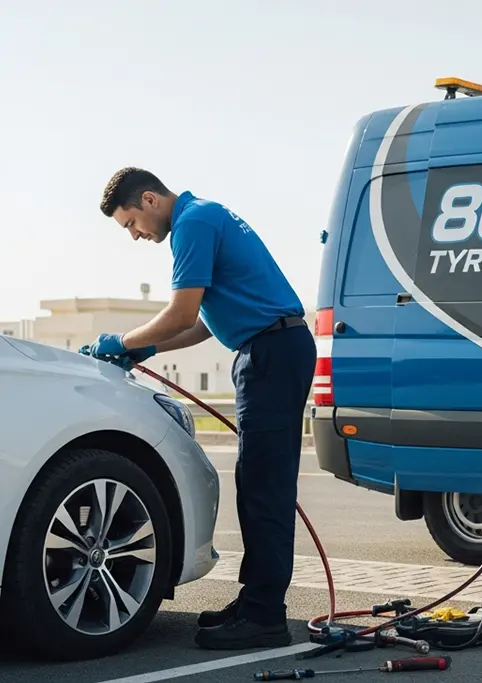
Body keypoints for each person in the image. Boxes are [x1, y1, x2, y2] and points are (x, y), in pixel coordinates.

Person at [87, 167, 316, 650]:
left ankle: (264, 616)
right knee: (258, 484)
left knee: (265, 489)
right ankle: (256, 602)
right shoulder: (206, 216)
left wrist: (121, 340)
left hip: (271, 353)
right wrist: (148, 350)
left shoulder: (193, 224)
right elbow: (206, 324)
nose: (134, 236)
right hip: (272, 348)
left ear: (149, 199)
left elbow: (181, 312)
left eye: (130, 223)